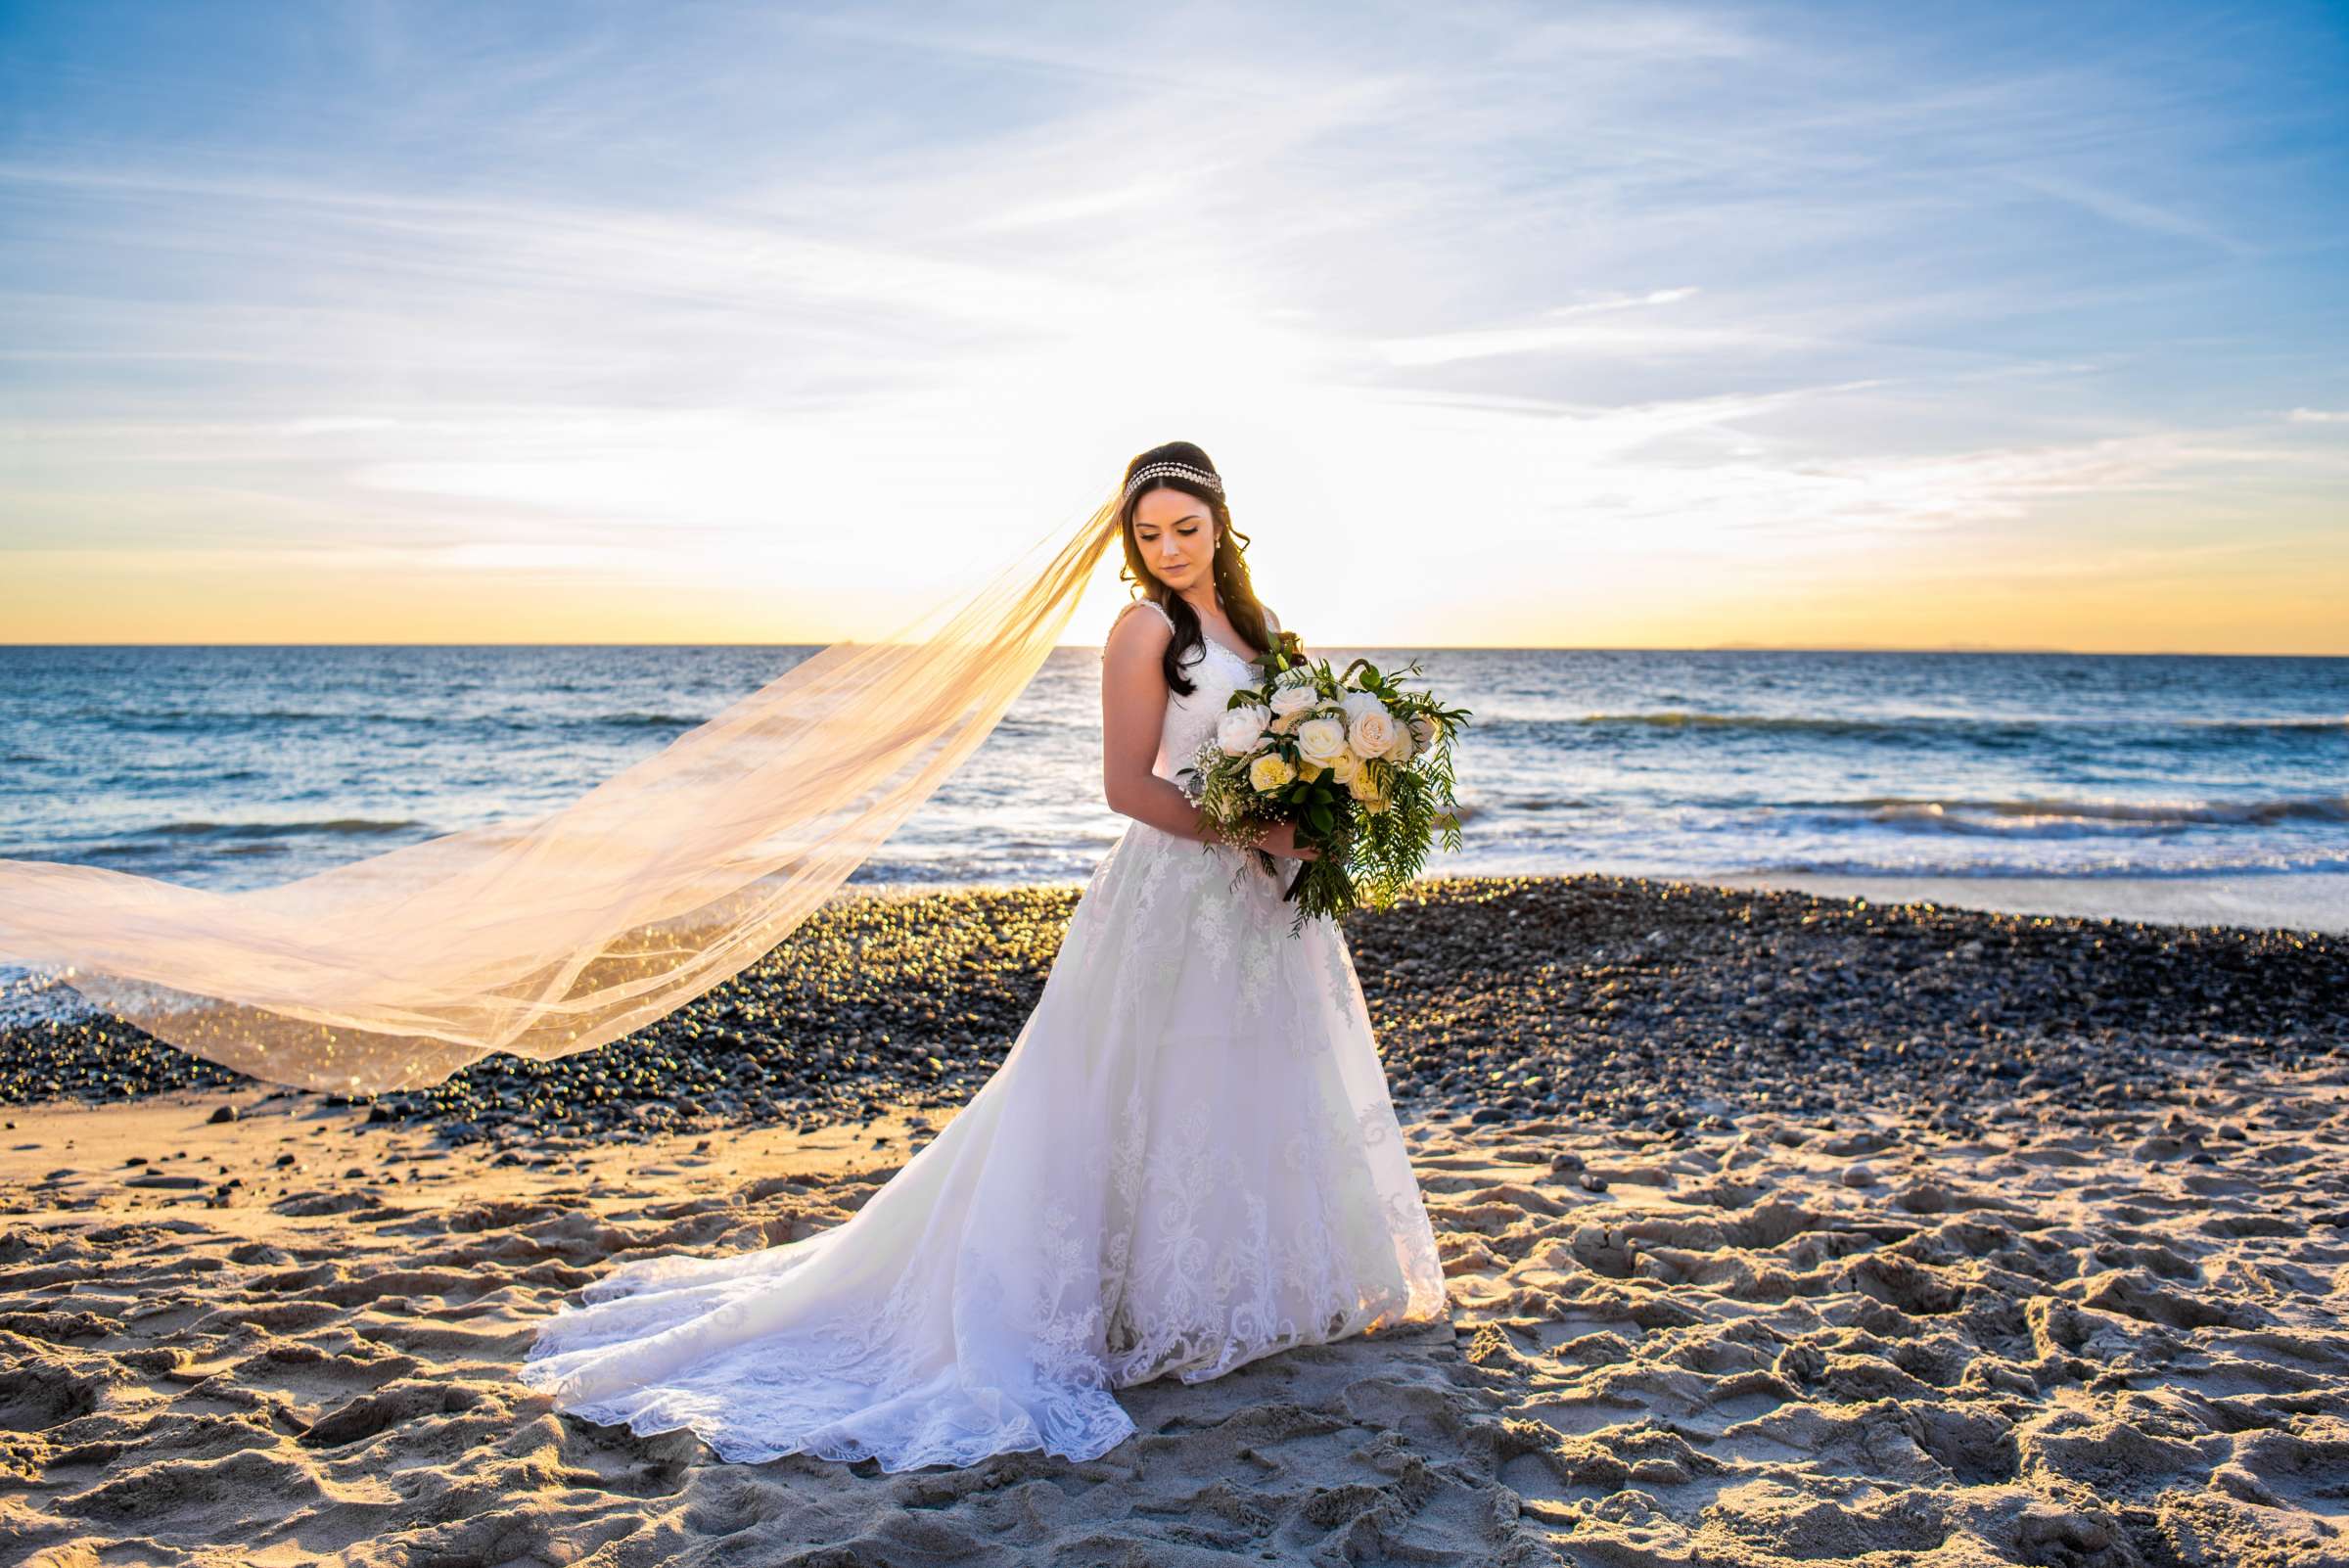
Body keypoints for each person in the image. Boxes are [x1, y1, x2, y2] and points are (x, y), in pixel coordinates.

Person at [516, 442, 1449, 1471]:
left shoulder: (1269, 633)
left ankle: (1254, 1290)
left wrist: (1323, 811)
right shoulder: (1142, 631)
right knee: (1129, 1090)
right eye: (1148, 534)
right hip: (1179, 891)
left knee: (1254, 1078)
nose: (1170, 549)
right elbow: (1128, 787)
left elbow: (1283, 758)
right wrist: (1256, 833)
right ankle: (1124, 1305)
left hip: (1267, 903)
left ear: (1221, 524)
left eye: (1186, 528)